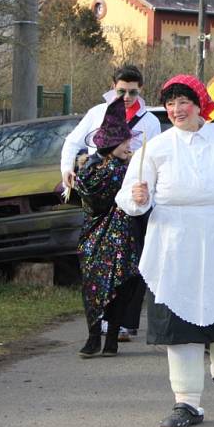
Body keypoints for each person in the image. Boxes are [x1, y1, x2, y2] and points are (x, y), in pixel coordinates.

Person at [115, 74, 214, 427]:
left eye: (183, 102)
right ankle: (186, 403)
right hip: (174, 243)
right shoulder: (155, 147)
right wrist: (137, 199)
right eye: (169, 104)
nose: (175, 110)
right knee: (179, 324)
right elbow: (129, 197)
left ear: (199, 104)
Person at [62, 65, 161, 341]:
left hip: (134, 197)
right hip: (102, 199)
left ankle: (127, 323)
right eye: (121, 91)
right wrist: (66, 172)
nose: (127, 96)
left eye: (132, 91)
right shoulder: (96, 113)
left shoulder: (149, 121)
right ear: (113, 87)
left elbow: (153, 157)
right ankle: (102, 319)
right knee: (99, 260)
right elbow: (72, 143)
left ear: (140, 89)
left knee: (134, 262)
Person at [73, 98, 144, 358]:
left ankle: (111, 337)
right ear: (112, 144)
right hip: (96, 238)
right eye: (125, 142)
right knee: (94, 285)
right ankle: (94, 337)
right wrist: (124, 168)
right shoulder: (97, 169)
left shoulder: (127, 167)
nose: (129, 145)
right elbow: (92, 194)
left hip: (125, 238)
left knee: (125, 284)